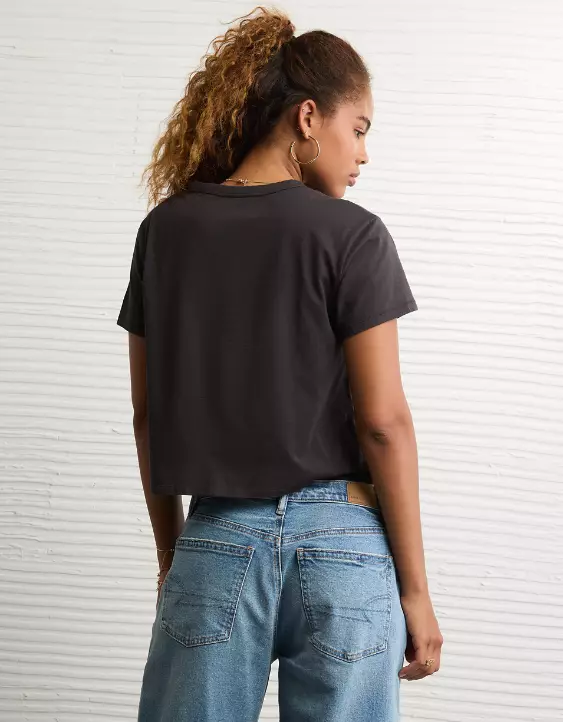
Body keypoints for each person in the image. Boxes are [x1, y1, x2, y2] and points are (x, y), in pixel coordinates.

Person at [116, 6, 443, 721]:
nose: (362, 155)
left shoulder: (165, 231)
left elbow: (147, 416)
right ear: (307, 117)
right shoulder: (352, 235)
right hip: (345, 549)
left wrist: (174, 557)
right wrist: (416, 592)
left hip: (216, 540)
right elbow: (383, 422)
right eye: (358, 128)